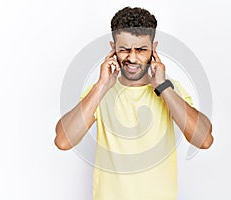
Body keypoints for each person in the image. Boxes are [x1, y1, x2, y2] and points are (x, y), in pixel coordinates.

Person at [55, 6, 213, 200]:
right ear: (113, 49)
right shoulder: (100, 91)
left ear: (154, 49)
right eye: (124, 49)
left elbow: (204, 140)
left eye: (141, 49)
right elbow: (63, 141)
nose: (132, 57)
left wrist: (163, 87)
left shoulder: (170, 90)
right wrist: (102, 85)